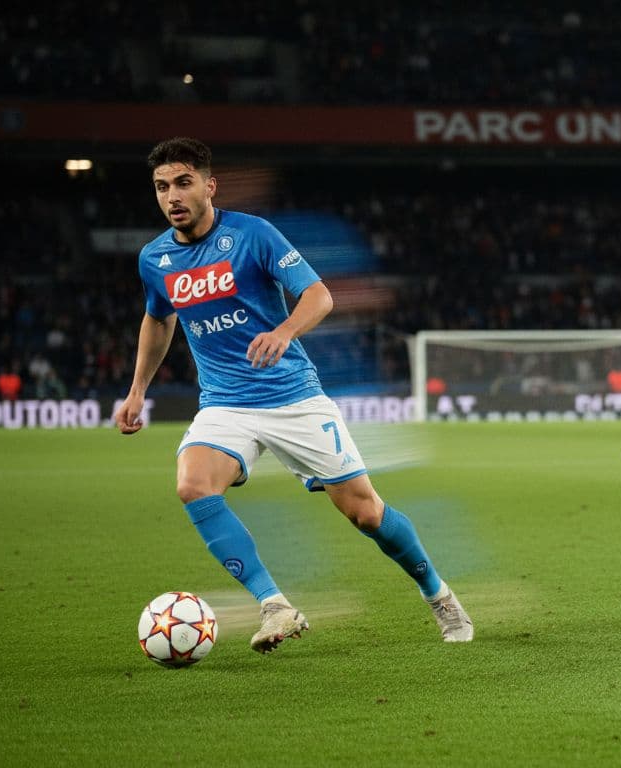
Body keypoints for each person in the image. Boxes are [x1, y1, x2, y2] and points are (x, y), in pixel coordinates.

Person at [114, 137, 472, 653]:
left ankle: (438, 594)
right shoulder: (155, 258)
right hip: (224, 404)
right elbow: (157, 318)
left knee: (366, 513)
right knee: (193, 485)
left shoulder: (253, 234)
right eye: (161, 186)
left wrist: (283, 333)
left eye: (183, 183)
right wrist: (136, 391)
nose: (172, 195)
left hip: (292, 397)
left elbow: (318, 295)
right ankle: (275, 604)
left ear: (209, 186)